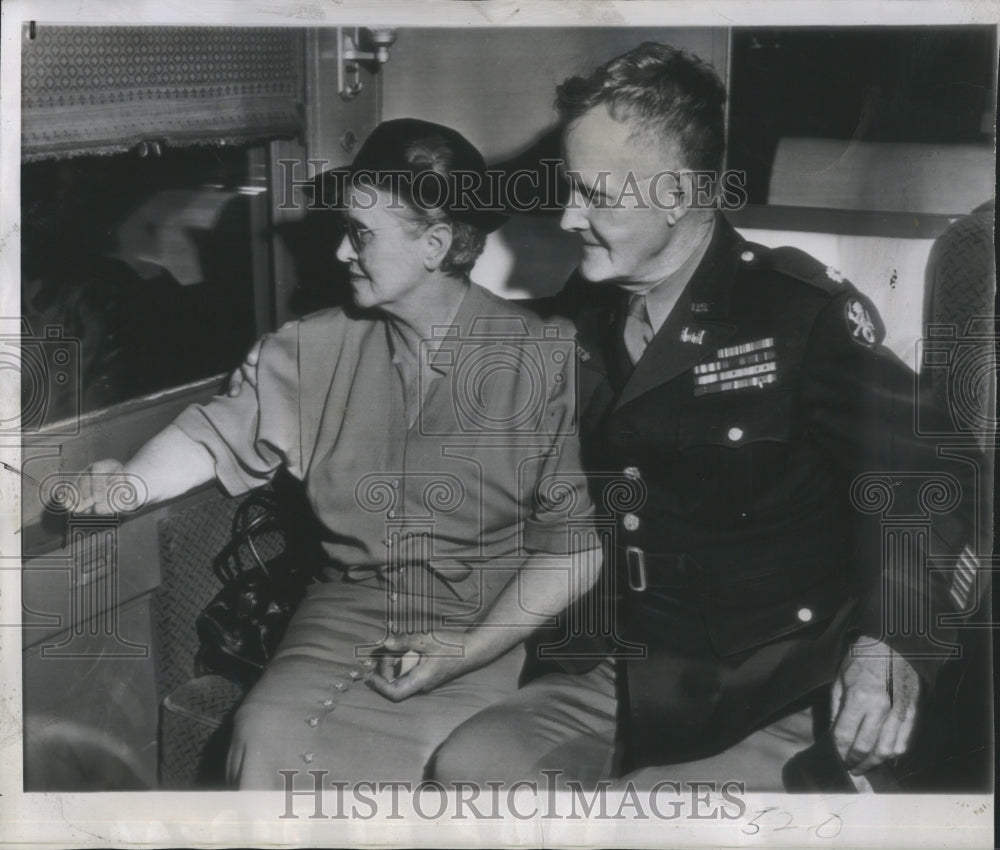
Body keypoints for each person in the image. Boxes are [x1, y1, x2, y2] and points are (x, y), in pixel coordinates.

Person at [431, 42, 980, 791]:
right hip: (628, 670)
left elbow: (933, 470)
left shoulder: (795, 314)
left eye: (596, 194)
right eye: (569, 188)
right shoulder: (588, 310)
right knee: (468, 769)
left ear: (679, 195)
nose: (567, 216)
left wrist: (894, 645)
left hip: (772, 684)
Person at [78, 118, 601, 789]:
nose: (339, 254)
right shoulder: (309, 349)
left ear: (436, 244)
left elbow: (571, 546)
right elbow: (209, 435)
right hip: (342, 614)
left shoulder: (540, 359)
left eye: (361, 234)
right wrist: (125, 483)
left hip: (489, 623)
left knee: (432, 768)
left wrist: (472, 649)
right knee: (266, 736)